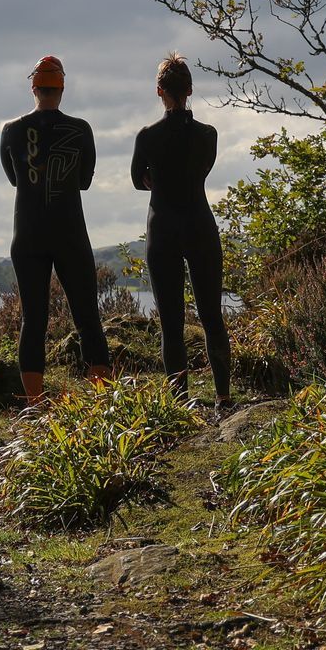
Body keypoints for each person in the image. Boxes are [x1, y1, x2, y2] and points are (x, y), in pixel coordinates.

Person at [0, 54, 112, 404]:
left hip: (28, 233)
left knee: (34, 319)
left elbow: (14, 178)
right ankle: (102, 401)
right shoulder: (80, 130)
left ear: (33, 87)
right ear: (62, 89)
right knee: (87, 316)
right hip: (69, 233)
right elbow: (84, 182)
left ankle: (34, 403)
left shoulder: (12, 131)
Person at [130, 53, 232, 407]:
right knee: (211, 315)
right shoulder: (208, 134)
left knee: (171, 323)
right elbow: (202, 170)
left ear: (159, 91)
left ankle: (181, 401)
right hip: (199, 223)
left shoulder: (147, 136)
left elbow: (136, 180)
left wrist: (155, 179)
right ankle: (223, 397)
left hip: (162, 227)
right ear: (190, 89)